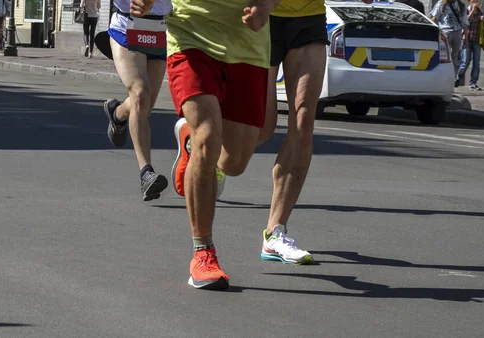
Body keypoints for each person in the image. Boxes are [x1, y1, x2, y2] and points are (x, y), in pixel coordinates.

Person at [165, 0, 280, 289]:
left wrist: (267, 6)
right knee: (207, 136)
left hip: (247, 44)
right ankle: (203, 253)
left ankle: (193, 142)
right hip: (190, 34)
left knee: (234, 162)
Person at [255, 0, 373, 265]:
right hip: (263, 14)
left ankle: (275, 232)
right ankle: (208, 153)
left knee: (304, 119)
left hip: (309, 17)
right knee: (261, 125)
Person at [102, 0, 172, 201]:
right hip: (127, 28)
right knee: (140, 93)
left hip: (160, 32)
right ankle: (146, 173)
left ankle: (118, 114)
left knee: (144, 105)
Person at [431, 0, 468, 87]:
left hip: (457, 33)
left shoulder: (461, 5)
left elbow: (465, 24)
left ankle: (454, 78)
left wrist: (466, 40)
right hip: (445, 33)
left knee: (455, 56)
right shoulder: (441, 4)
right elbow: (434, 19)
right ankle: (442, 78)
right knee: (444, 56)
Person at [457, 0, 484, 91]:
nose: (476, 1)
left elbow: (482, 24)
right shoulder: (466, 10)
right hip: (466, 40)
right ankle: (457, 77)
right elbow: (466, 21)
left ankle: (473, 83)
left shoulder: (480, 12)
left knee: (476, 63)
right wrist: (473, 10)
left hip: (476, 40)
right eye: (473, 0)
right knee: (465, 62)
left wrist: (483, 20)